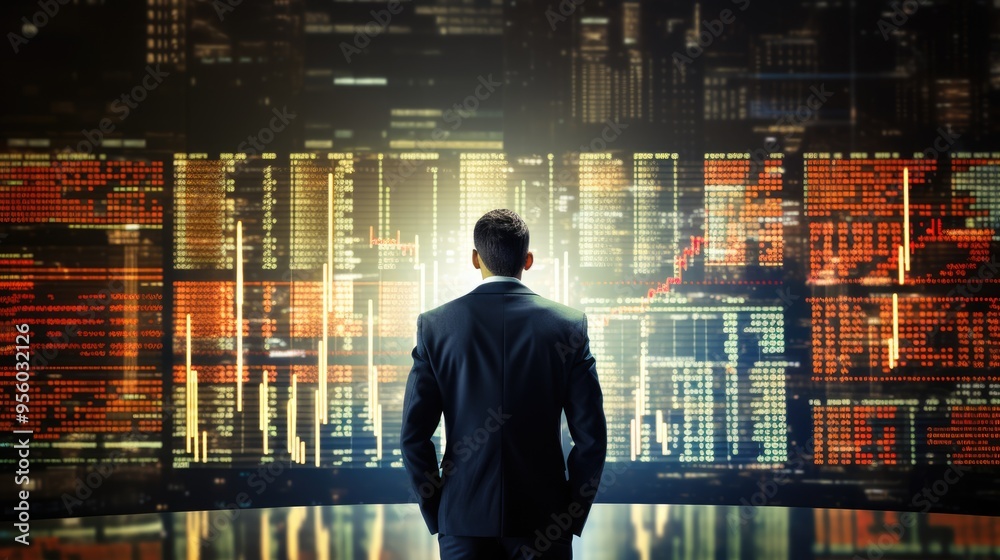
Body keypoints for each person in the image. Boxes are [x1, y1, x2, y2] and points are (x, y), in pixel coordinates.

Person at [400, 208, 607, 560]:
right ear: (527, 260)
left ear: (474, 259)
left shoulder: (436, 327)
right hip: (546, 522)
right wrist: (570, 513)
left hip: (462, 521)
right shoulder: (569, 327)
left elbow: (413, 436)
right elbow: (591, 438)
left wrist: (441, 509)